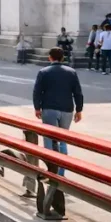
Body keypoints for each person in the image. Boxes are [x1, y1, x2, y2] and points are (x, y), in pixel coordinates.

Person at [31, 48, 84, 177]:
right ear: (62, 58)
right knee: (63, 140)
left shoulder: (43, 72)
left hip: (49, 108)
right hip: (67, 109)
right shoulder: (71, 72)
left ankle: (51, 170)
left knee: (49, 139)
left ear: (50, 58)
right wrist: (79, 110)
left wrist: (37, 107)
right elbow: (78, 93)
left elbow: (37, 91)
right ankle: (61, 172)